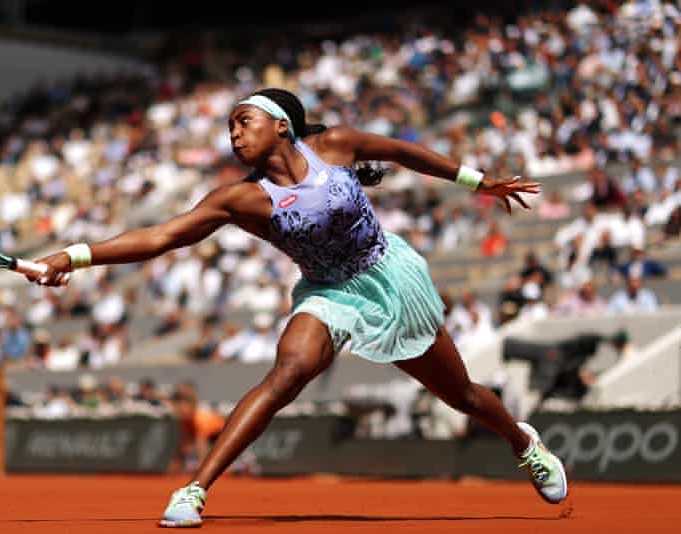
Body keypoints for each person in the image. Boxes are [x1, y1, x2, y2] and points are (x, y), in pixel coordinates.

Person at [28, 88, 566, 528]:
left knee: (464, 396)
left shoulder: (335, 145)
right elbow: (160, 237)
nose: (234, 134)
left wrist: (478, 182)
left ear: (281, 125)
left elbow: (402, 152)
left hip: (388, 279)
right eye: (229, 129)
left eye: (244, 122)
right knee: (287, 373)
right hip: (327, 293)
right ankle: (194, 490)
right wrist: (72, 257)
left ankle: (524, 443)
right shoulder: (239, 199)